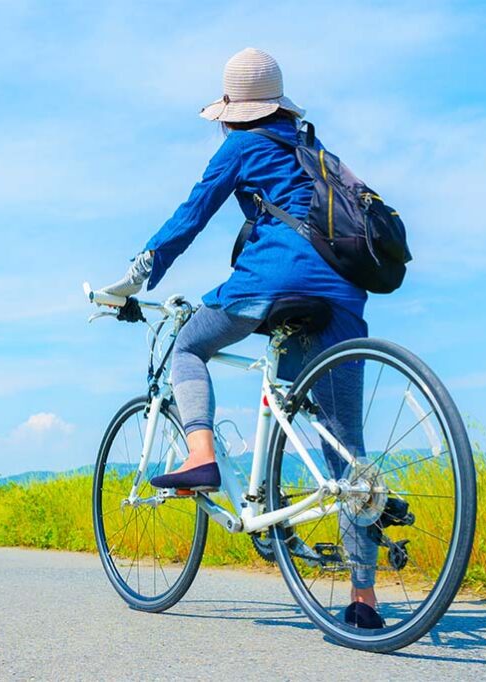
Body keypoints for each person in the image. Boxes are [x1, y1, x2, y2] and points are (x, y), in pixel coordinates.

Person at [98, 47, 383, 629]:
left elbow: (189, 217)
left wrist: (129, 281)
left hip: (272, 280)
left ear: (232, 112)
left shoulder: (241, 146)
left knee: (189, 345)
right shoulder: (315, 151)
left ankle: (199, 453)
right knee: (347, 455)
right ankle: (365, 600)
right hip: (345, 295)